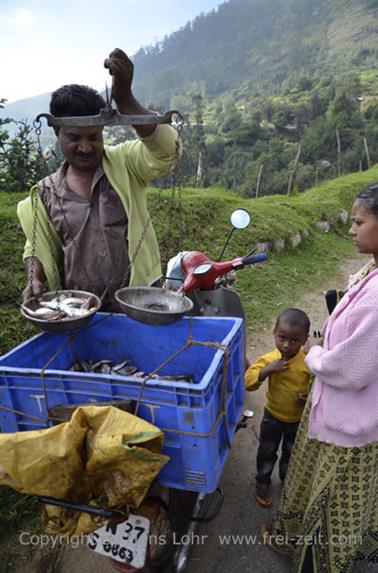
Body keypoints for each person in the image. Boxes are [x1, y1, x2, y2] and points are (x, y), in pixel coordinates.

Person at [261, 183, 378, 573]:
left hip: (351, 422)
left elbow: (352, 368)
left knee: (332, 506)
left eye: (359, 222)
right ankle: (292, 539)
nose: (351, 229)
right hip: (335, 413)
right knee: (307, 480)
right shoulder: (372, 269)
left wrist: (315, 355)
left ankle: (317, 564)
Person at [17, 48, 182, 310]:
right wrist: (33, 277)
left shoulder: (126, 164)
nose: (85, 147)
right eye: (74, 138)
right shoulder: (46, 194)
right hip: (79, 310)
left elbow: (166, 151)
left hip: (139, 303)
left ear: (103, 131)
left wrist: (126, 101)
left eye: (93, 137)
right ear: (57, 132)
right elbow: (36, 244)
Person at [245, 308, 311, 507]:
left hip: (297, 420)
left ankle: (286, 479)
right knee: (267, 451)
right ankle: (263, 481)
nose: (287, 345)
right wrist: (267, 370)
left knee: (291, 453)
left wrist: (308, 397)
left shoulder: (308, 361)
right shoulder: (269, 359)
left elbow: (318, 385)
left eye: (295, 340)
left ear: (305, 340)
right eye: (282, 337)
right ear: (274, 333)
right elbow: (248, 382)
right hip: (272, 417)